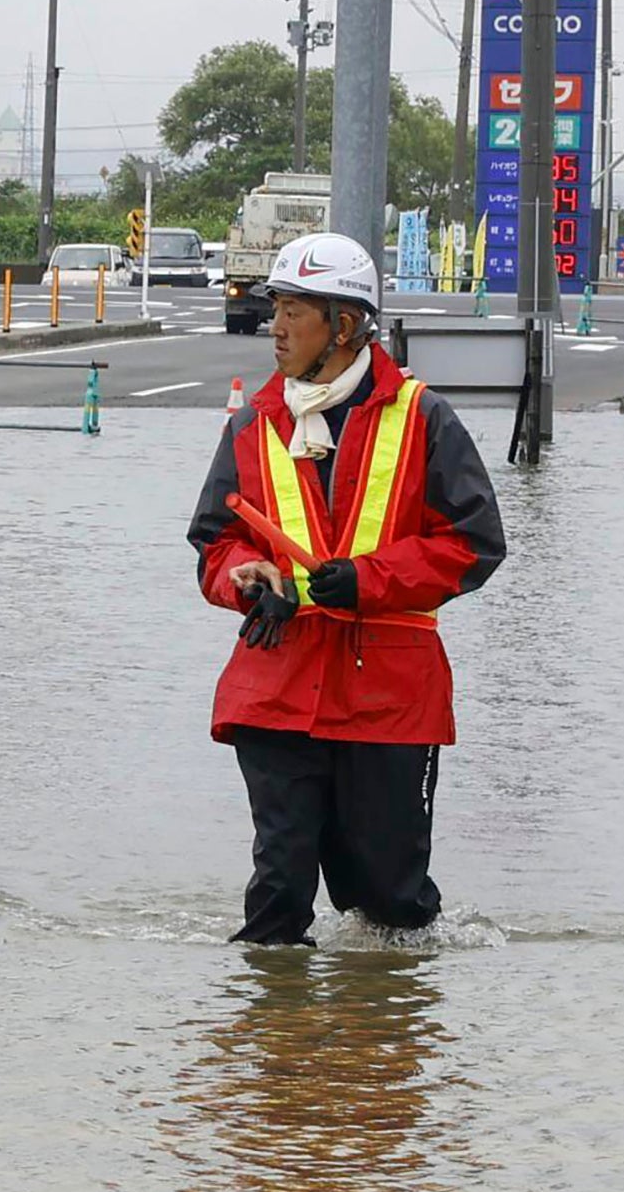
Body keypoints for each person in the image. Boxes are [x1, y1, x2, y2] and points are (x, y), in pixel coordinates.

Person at [185, 230, 510, 946]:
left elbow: (476, 545)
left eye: (293, 312)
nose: (274, 328)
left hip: (387, 697)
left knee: (390, 907)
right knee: (276, 899)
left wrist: (366, 580)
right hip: (277, 684)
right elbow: (214, 543)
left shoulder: (423, 418)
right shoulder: (253, 423)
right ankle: (279, 1050)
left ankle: (375, 1050)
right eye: (276, 309)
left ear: (345, 325)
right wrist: (246, 579)